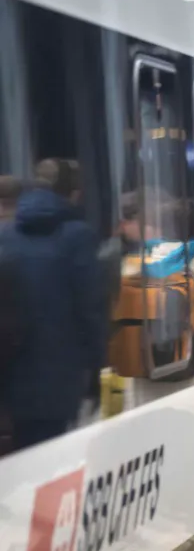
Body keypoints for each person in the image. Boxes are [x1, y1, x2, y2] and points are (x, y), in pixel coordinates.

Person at [1, 176, 107, 451]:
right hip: (58, 377)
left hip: (12, 377)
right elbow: (90, 309)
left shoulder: (6, 237)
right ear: (72, 195)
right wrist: (97, 368)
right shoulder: (77, 236)